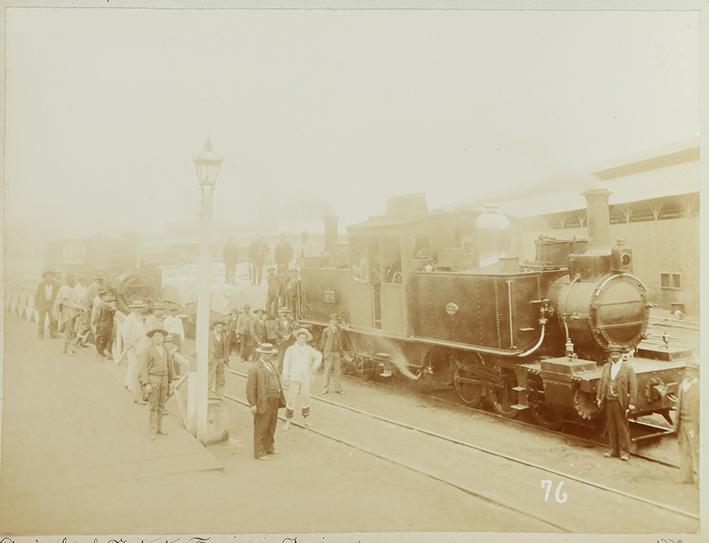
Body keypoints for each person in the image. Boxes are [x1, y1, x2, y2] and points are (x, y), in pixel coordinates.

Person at [596, 345, 637, 461]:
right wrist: (599, 397)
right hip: (608, 400)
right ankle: (613, 449)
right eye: (612, 354)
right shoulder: (606, 367)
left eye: (616, 354)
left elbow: (633, 386)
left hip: (621, 401)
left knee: (622, 426)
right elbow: (602, 383)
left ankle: (624, 451)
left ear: (621, 355)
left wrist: (632, 402)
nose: (614, 356)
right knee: (611, 425)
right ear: (609, 355)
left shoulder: (628, 368)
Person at [246, 343, 285, 460]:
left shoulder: (271, 365)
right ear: (261, 353)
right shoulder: (255, 368)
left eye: (270, 354)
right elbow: (250, 388)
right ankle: (259, 452)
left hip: (274, 400)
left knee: (271, 426)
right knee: (261, 427)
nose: (268, 356)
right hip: (263, 401)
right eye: (266, 354)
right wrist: (252, 404)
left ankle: (269, 448)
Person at [281, 328, 322, 429]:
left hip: (305, 377)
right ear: (297, 338)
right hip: (293, 377)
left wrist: (312, 369)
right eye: (300, 338)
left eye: (304, 338)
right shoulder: (290, 349)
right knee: (291, 398)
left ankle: (306, 419)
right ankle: (288, 421)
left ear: (306, 339)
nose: (302, 340)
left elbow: (319, 356)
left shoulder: (309, 349)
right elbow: (286, 364)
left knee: (306, 397)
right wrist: (285, 377)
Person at [139, 328, 175, 440]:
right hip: (153, 379)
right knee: (153, 406)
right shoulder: (148, 350)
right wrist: (146, 383)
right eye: (156, 336)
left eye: (160, 336)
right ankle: (152, 430)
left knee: (162, 405)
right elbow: (143, 368)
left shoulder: (166, 349)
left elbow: (170, 365)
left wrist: (172, 381)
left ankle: (160, 428)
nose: (158, 338)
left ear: (163, 338)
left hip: (164, 379)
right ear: (152, 338)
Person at [676, 360, 700, 485]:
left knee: (696, 451)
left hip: (693, 425)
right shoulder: (682, 385)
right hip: (682, 423)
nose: (688, 373)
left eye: (691, 371)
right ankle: (686, 477)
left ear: (696, 373)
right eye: (687, 370)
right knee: (684, 450)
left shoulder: (700, 388)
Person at [53, 273, 84, 355]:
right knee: (68, 330)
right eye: (71, 280)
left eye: (74, 280)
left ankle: (65, 348)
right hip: (67, 312)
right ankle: (68, 349)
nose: (73, 282)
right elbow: (65, 300)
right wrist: (76, 306)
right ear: (67, 280)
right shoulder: (64, 288)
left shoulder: (72, 289)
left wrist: (79, 307)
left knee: (70, 330)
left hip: (73, 312)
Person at [124, 302, 147, 404]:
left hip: (139, 344)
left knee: (134, 365)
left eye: (140, 307)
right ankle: (131, 385)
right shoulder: (130, 319)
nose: (138, 309)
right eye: (137, 307)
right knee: (133, 365)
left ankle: (129, 383)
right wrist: (130, 344)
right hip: (132, 344)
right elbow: (125, 333)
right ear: (132, 308)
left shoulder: (139, 317)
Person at [320, 313, 346, 394]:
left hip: (337, 352)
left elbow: (341, 341)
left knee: (338, 371)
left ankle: (337, 388)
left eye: (336, 321)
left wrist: (341, 352)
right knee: (327, 370)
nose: (335, 322)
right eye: (333, 320)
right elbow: (323, 344)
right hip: (329, 353)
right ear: (330, 321)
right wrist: (325, 353)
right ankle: (325, 388)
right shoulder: (326, 331)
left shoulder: (340, 330)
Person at [35, 271, 59, 339]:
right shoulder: (41, 285)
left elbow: (62, 291)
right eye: (47, 277)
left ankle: (53, 333)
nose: (48, 278)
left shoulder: (57, 284)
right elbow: (37, 295)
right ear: (44, 277)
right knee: (41, 320)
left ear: (53, 277)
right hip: (43, 304)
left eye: (50, 276)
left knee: (53, 319)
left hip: (52, 305)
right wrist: (36, 304)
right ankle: (41, 334)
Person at [208, 320, 230, 398]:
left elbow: (226, 348)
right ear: (214, 327)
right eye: (218, 327)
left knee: (221, 378)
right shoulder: (209, 335)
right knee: (209, 377)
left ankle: (219, 395)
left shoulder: (224, 336)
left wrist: (226, 359)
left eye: (221, 327)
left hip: (221, 359)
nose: (220, 329)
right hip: (212, 359)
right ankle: (207, 394)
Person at [94, 290, 116, 359]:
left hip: (101, 324)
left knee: (102, 339)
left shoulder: (100, 305)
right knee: (105, 339)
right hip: (105, 325)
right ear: (102, 297)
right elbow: (114, 311)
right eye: (107, 296)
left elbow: (96, 317)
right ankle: (102, 353)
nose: (109, 297)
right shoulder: (105, 306)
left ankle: (102, 353)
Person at [275, 307, 294, 373]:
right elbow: (276, 330)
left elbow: (293, 329)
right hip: (281, 341)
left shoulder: (291, 321)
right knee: (281, 357)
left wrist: (289, 335)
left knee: (290, 356)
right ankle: (279, 371)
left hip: (289, 341)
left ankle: (289, 371)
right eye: (283, 313)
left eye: (286, 313)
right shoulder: (278, 321)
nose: (284, 314)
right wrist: (283, 336)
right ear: (280, 314)